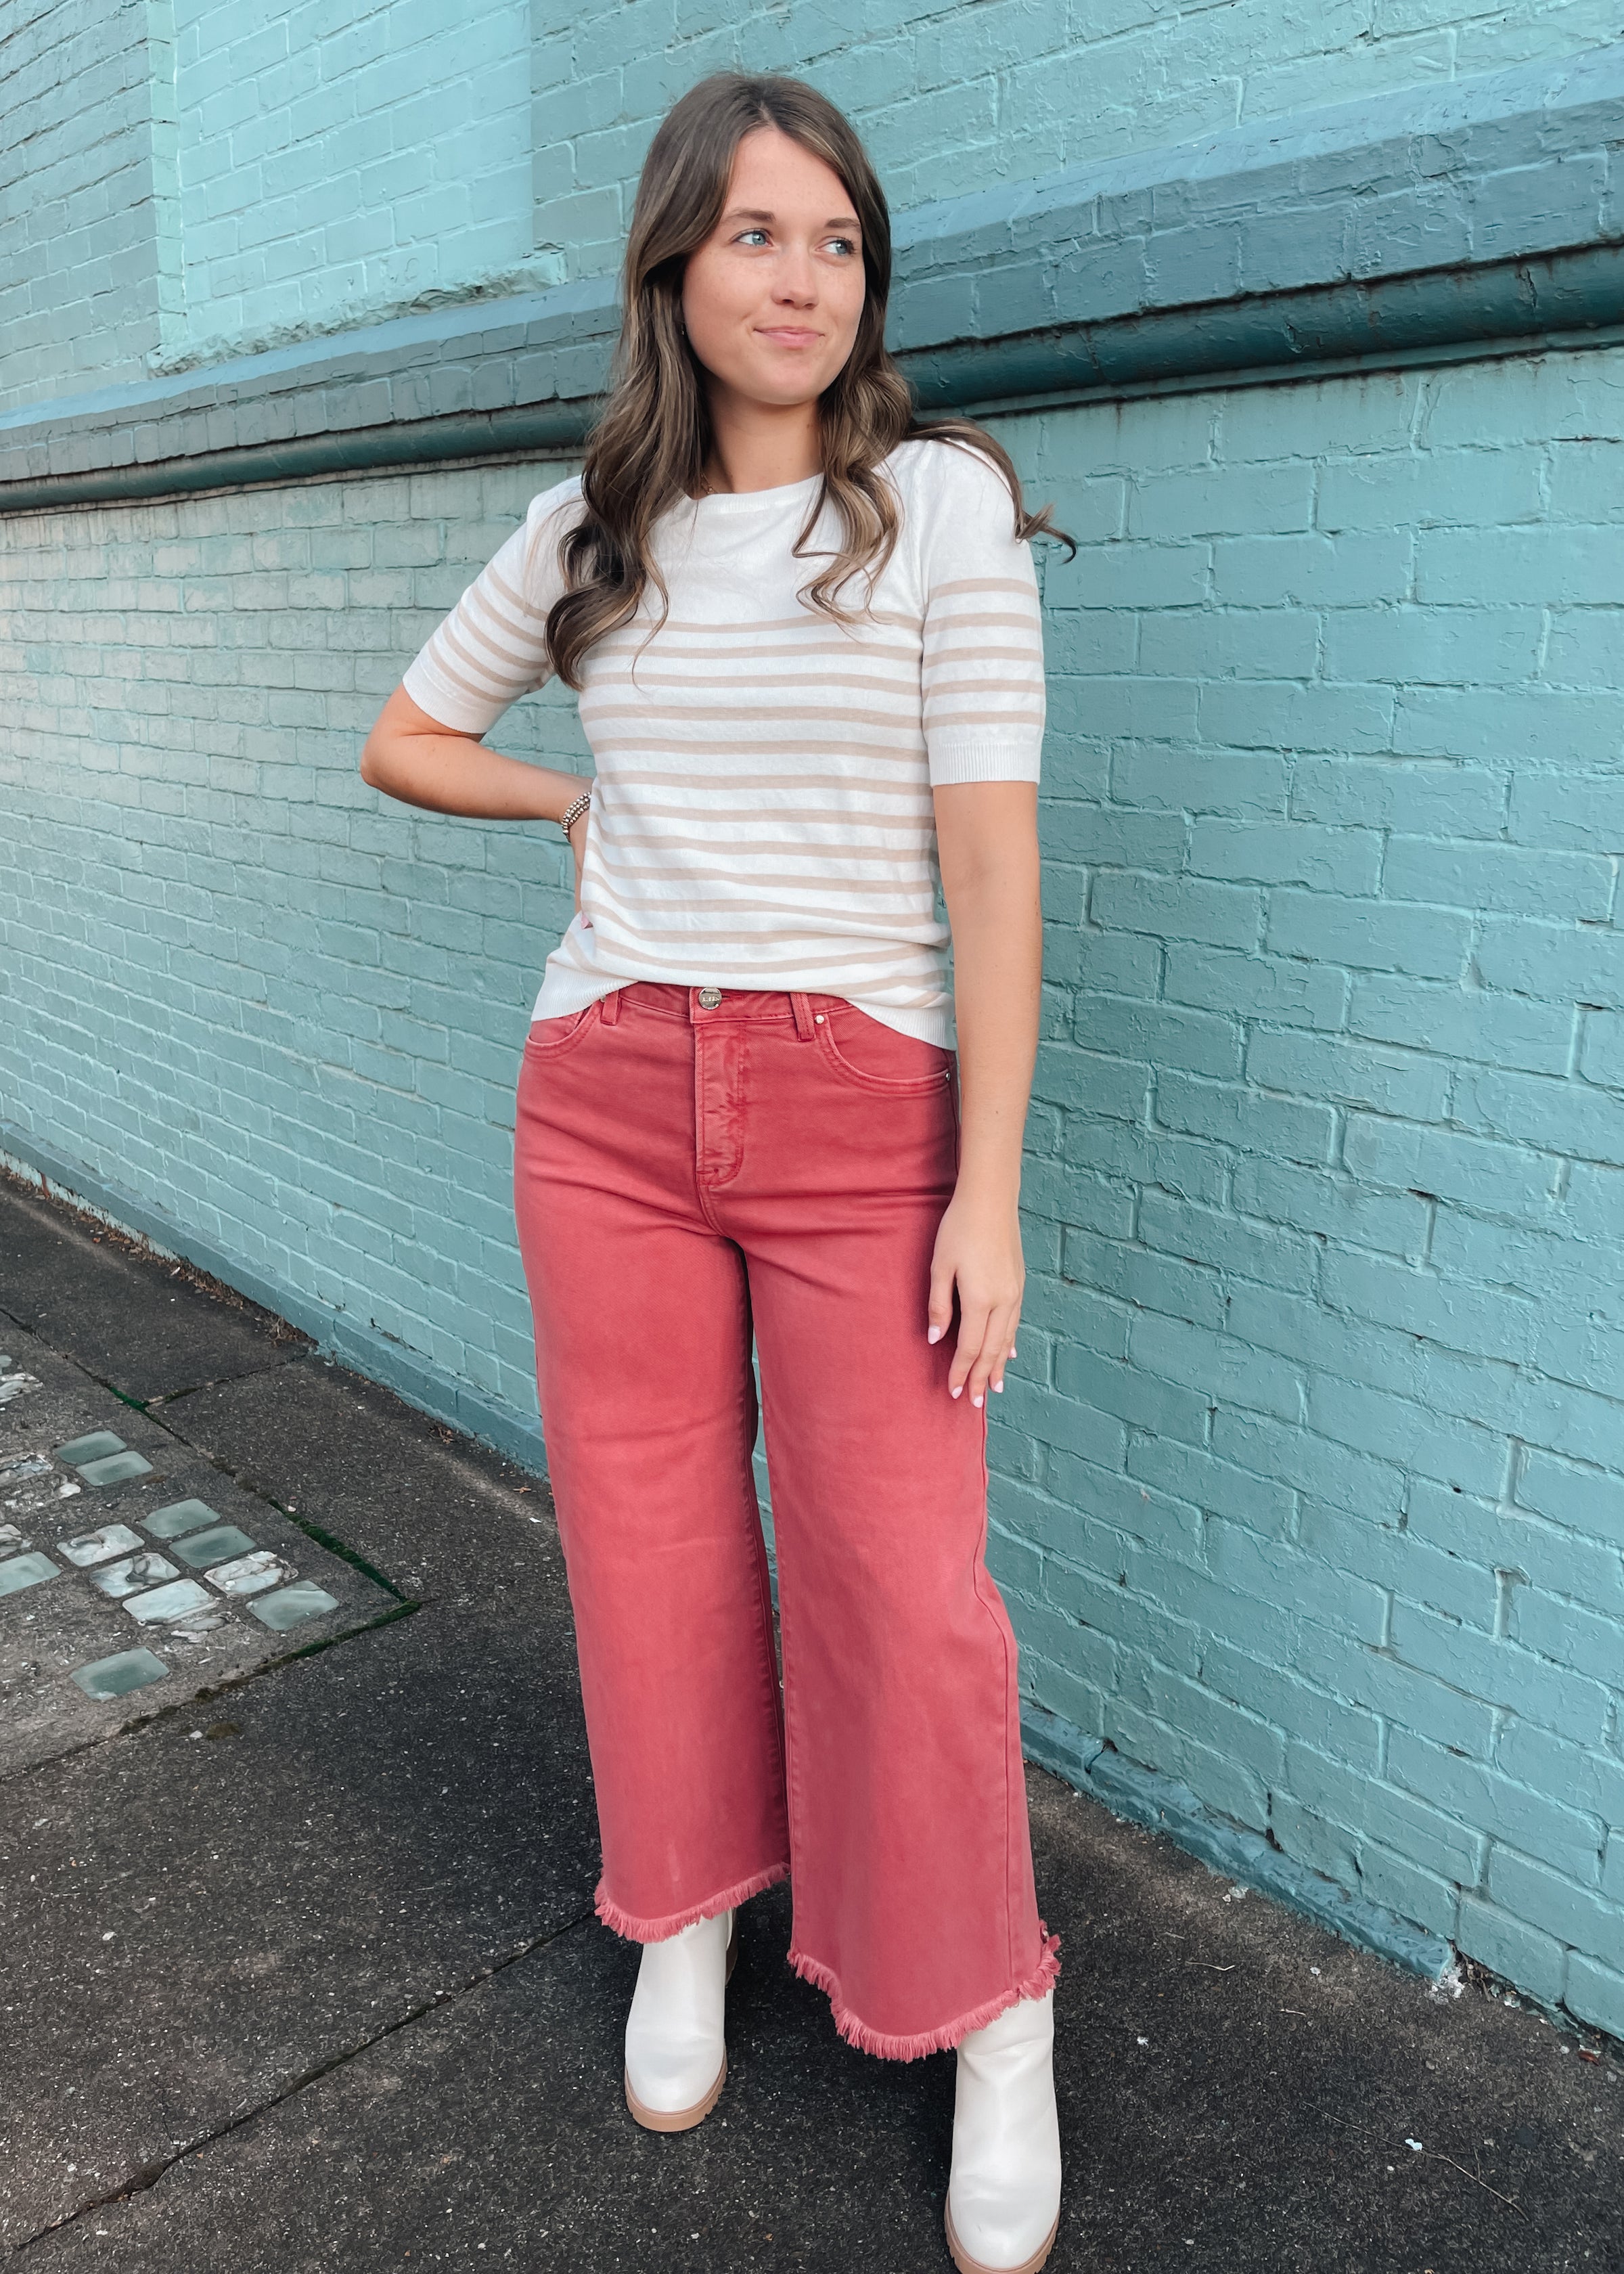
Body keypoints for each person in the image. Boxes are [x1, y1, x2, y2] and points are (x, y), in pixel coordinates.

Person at [361, 71, 1068, 2274]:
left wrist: (988, 1191)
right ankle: (684, 1909)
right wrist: (568, 808)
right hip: (607, 1098)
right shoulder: (595, 528)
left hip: (867, 1114)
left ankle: (990, 2005)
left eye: (838, 241)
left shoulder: (937, 504)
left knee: (902, 1586)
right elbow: (404, 736)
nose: (802, 279)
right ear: (674, 263)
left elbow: (993, 870)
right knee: (648, 1540)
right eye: (758, 234)